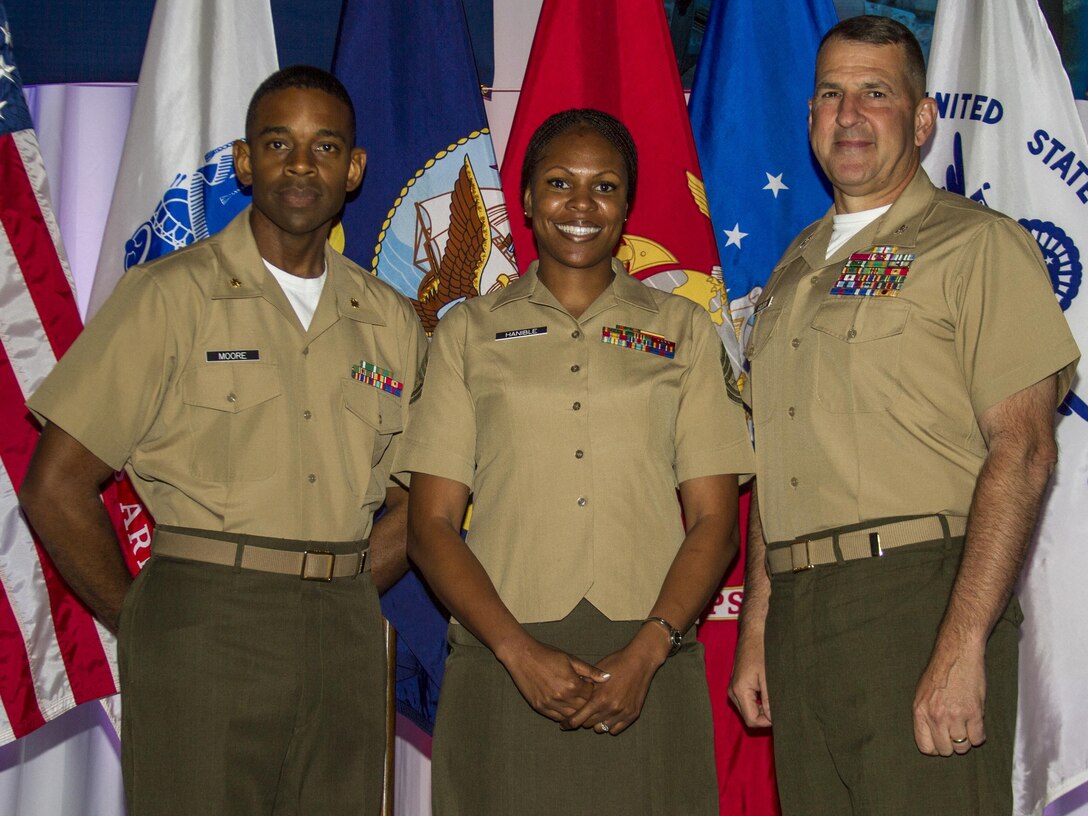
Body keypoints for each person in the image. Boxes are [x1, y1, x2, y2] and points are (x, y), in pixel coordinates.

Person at [18, 66, 426, 816]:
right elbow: (55, 484)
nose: (301, 166)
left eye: (325, 146)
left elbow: (420, 497)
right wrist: (140, 617)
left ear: (355, 169)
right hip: (205, 618)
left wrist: (343, 587)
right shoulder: (168, 296)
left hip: (344, 627)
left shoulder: (389, 319)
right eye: (279, 143)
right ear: (244, 162)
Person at [729, 15, 1080, 816]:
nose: (849, 115)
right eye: (831, 94)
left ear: (922, 119)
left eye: (876, 94)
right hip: (800, 614)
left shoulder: (976, 246)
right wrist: (758, 624)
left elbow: (1024, 453)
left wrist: (962, 646)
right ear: (811, 116)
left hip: (918, 599)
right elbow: (782, 453)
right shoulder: (791, 271)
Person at [396, 108, 754, 815]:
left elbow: (716, 520)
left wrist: (648, 652)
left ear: (627, 205)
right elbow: (430, 525)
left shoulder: (680, 326)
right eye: (560, 183)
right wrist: (517, 654)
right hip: (506, 655)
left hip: (648, 656)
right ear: (525, 200)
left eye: (605, 187)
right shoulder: (468, 329)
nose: (582, 206)